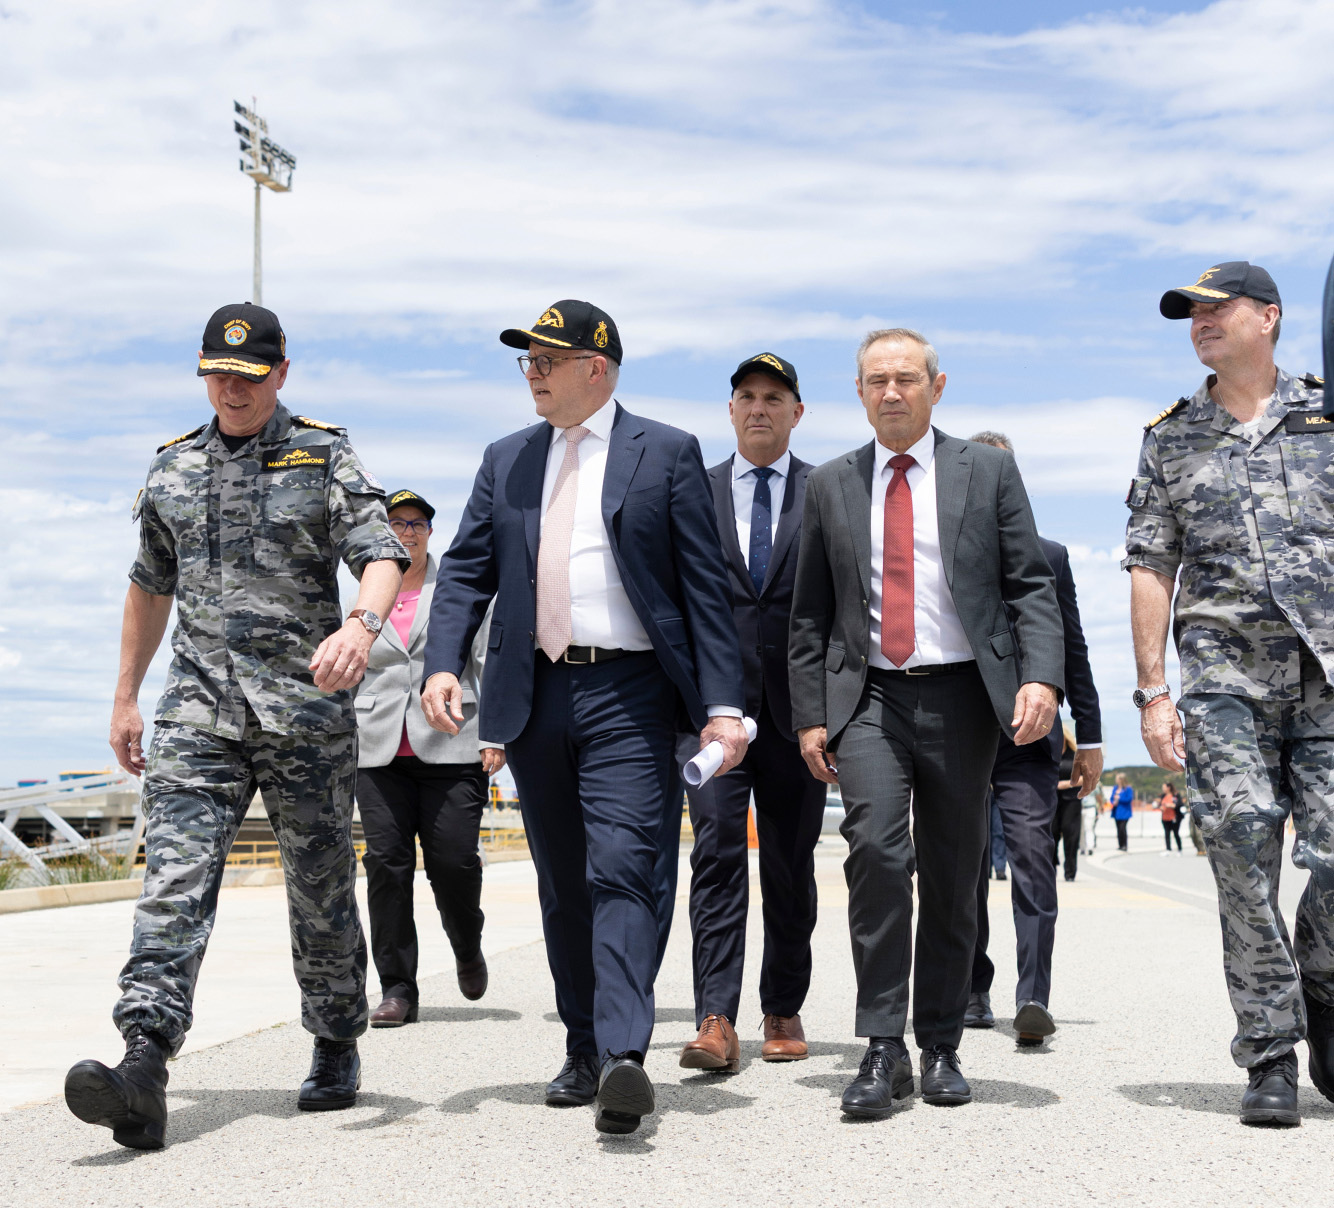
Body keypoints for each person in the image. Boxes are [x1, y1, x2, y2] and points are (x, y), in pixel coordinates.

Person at [64, 304, 409, 1150]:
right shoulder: (173, 468)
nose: (232, 387)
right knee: (173, 886)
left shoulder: (323, 453)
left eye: (250, 375)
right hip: (198, 713)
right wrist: (123, 697)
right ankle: (143, 1058)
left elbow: (380, 554)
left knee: (319, 887)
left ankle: (335, 1038)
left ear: (280, 373)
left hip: (304, 712)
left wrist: (360, 628)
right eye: (218, 374)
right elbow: (148, 587)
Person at [420, 300, 747, 1136]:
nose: (531, 369)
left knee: (624, 868)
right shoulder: (506, 460)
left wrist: (723, 707)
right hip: (535, 697)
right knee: (565, 883)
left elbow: (705, 589)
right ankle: (580, 1043)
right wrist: (443, 662)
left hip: (631, 693)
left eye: (547, 358)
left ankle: (624, 1056)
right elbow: (463, 572)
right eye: (525, 358)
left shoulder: (665, 452)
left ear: (596, 368)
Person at [789, 327, 1064, 1117]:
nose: (892, 392)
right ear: (860, 391)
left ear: (936, 388)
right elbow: (809, 614)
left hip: (962, 697)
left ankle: (940, 1042)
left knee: (953, 868)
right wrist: (811, 716)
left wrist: (1040, 676)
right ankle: (881, 1046)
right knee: (874, 851)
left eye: (908, 378)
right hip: (869, 696)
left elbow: (1029, 587)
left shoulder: (989, 471)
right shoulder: (832, 484)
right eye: (877, 380)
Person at [1126, 259, 1334, 1126]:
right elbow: (1150, 565)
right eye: (1192, 315)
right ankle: (1271, 1054)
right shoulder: (1171, 436)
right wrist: (1152, 693)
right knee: (1243, 850)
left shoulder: (1328, 416)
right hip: (1222, 682)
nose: (1201, 324)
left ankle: (1322, 990)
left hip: (1326, 674)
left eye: (1219, 310)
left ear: (1272, 318)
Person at [675, 353, 826, 1073]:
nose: (759, 407)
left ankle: (782, 1005)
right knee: (716, 857)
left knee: (791, 865)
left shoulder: (827, 492)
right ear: (730, 411)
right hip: (713, 717)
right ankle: (714, 1016)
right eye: (746, 397)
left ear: (797, 413)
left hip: (802, 719)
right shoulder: (692, 492)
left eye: (774, 397)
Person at [961, 433, 1104, 1044]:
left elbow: (1072, 647)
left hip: (1030, 743)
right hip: (959, 738)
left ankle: (1032, 996)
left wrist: (1091, 736)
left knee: (1033, 865)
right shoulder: (942, 554)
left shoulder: (1051, 556)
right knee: (960, 871)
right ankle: (971, 988)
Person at [354, 489, 507, 1028]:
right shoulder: (359, 594)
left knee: (454, 862)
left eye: (416, 524)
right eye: (395, 523)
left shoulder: (456, 591)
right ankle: (397, 987)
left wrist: (496, 734)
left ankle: (467, 944)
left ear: (429, 533)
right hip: (375, 749)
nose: (406, 532)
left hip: (451, 742)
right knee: (386, 867)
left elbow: (486, 659)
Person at [1052, 727, 1082, 881]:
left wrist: (1067, 784)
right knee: (1052, 834)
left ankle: (1070, 872)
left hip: (1071, 800)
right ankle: (1051, 869)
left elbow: (1086, 778)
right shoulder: (1049, 753)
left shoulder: (1075, 755)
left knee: (1071, 836)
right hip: (1051, 800)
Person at [1108, 774, 1134, 851]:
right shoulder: (1115, 788)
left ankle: (1124, 845)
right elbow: (1111, 798)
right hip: (1116, 812)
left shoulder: (1128, 789)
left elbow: (1129, 799)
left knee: (1123, 828)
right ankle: (1120, 845)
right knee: (1118, 829)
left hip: (1125, 812)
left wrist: (1120, 798)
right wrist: (1113, 802)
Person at [1158, 781, 1183, 855]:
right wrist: (1161, 807)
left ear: (1168, 787)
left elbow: (1179, 804)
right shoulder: (1163, 796)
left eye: (1164, 787)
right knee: (1167, 834)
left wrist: (1171, 805)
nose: (1163, 789)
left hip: (1174, 818)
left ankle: (1179, 849)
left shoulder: (1175, 795)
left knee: (1176, 833)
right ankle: (1168, 849)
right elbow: (1160, 804)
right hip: (1165, 818)